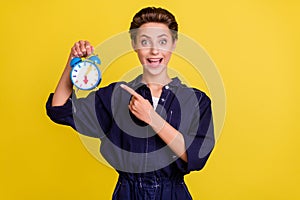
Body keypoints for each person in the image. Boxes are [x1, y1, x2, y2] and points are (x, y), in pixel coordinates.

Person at [46, 7, 215, 200]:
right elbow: (59, 109)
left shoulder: (195, 100)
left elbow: (196, 157)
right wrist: (73, 62)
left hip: (173, 193)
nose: (154, 50)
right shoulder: (116, 96)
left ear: (173, 44)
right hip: (128, 193)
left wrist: (152, 118)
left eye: (162, 41)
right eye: (145, 41)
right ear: (134, 44)